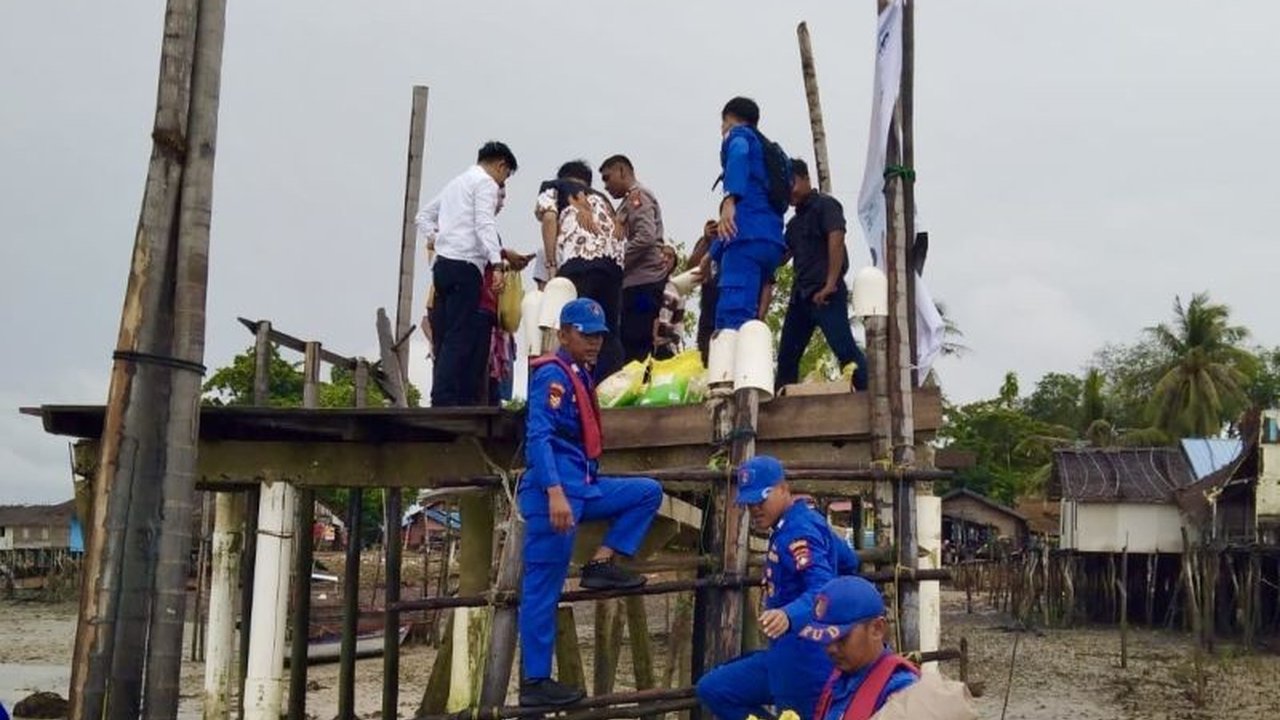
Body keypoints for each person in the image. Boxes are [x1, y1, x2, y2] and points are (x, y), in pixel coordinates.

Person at [518, 298, 664, 707]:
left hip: (583, 488)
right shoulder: (553, 374)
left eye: (598, 335)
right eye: (585, 334)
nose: (594, 342)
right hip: (556, 495)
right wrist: (554, 492)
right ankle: (534, 683)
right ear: (564, 334)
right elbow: (538, 438)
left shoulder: (581, 374)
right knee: (542, 591)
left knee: (647, 492)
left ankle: (600, 564)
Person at [696, 456, 852, 720]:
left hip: (806, 661)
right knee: (714, 688)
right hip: (784, 654)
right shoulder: (802, 520)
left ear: (783, 489)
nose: (755, 509)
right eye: (749, 503)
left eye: (762, 499)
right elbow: (848, 560)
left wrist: (788, 615)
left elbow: (822, 587)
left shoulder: (799, 530)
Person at [416, 140, 522, 406]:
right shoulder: (485, 183)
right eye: (505, 176)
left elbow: (423, 217)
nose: (501, 184)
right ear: (501, 166)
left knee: (448, 333)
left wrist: (439, 239)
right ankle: (447, 399)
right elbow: (484, 223)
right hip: (466, 266)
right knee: (460, 336)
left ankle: (444, 395)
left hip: (442, 265)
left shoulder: (456, 183)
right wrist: (497, 264)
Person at [777, 159, 869, 391]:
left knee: (844, 348)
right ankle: (781, 402)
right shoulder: (794, 224)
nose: (789, 191)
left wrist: (830, 284)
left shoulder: (826, 206)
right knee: (787, 355)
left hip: (826, 293)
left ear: (806, 179)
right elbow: (781, 256)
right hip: (801, 297)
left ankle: (868, 394)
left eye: (791, 183)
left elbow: (836, 240)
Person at [537, 161, 627, 381]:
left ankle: (567, 382)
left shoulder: (554, 186)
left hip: (579, 261)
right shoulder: (603, 199)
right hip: (613, 267)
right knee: (606, 331)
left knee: (574, 325)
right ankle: (607, 387)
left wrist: (551, 264)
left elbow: (548, 217)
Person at [713, 97, 787, 332]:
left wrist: (730, 198)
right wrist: (711, 255)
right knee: (753, 313)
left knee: (733, 315)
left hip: (745, 237)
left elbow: (739, 153)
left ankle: (733, 367)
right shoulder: (774, 151)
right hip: (772, 240)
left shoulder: (740, 136)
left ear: (728, 119)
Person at [799, 576, 919, 720]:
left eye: (842, 638)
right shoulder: (840, 678)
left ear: (877, 629)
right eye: (826, 639)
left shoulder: (902, 691)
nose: (831, 648)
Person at [601, 155, 667, 363]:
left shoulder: (637, 197)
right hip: (634, 282)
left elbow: (646, 236)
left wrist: (615, 259)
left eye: (607, 177)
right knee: (629, 341)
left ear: (622, 171)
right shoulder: (627, 202)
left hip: (644, 283)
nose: (605, 185)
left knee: (639, 342)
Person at [652, 245, 685, 360]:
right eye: (663, 254)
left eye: (670, 256)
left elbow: (678, 323)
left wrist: (670, 340)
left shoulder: (677, 289)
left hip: (665, 347)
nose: (665, 259)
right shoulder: (645, 281)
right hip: (642, 342)